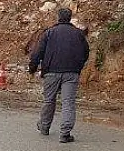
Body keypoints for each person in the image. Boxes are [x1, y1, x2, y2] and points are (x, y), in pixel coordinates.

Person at [29, 8, 89, 143]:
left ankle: (44, 127)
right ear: (69, 18)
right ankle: (65, 133)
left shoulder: (49, 33)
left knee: (49, 100)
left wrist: (32, 68)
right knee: (68, 102)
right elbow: (86, 52)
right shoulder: (78, 34)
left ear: (58, 17)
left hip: (51, 72)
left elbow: (38, 52)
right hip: (71, 73)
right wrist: (78, 66)